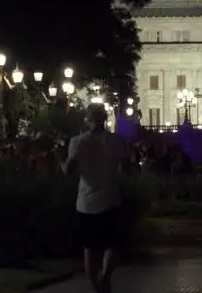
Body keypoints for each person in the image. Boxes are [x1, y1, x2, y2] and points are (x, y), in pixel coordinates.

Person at [61, 105, 129, 293]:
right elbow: (126, 168)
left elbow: (69, 170)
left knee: (90, 249)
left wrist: (59, 162)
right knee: (112, 245)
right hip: (111, 198)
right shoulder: (116, 141)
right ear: (105, 118)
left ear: (87, 118)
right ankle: (106, 276)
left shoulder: (78, 142)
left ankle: (98, 287)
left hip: (87, 202)